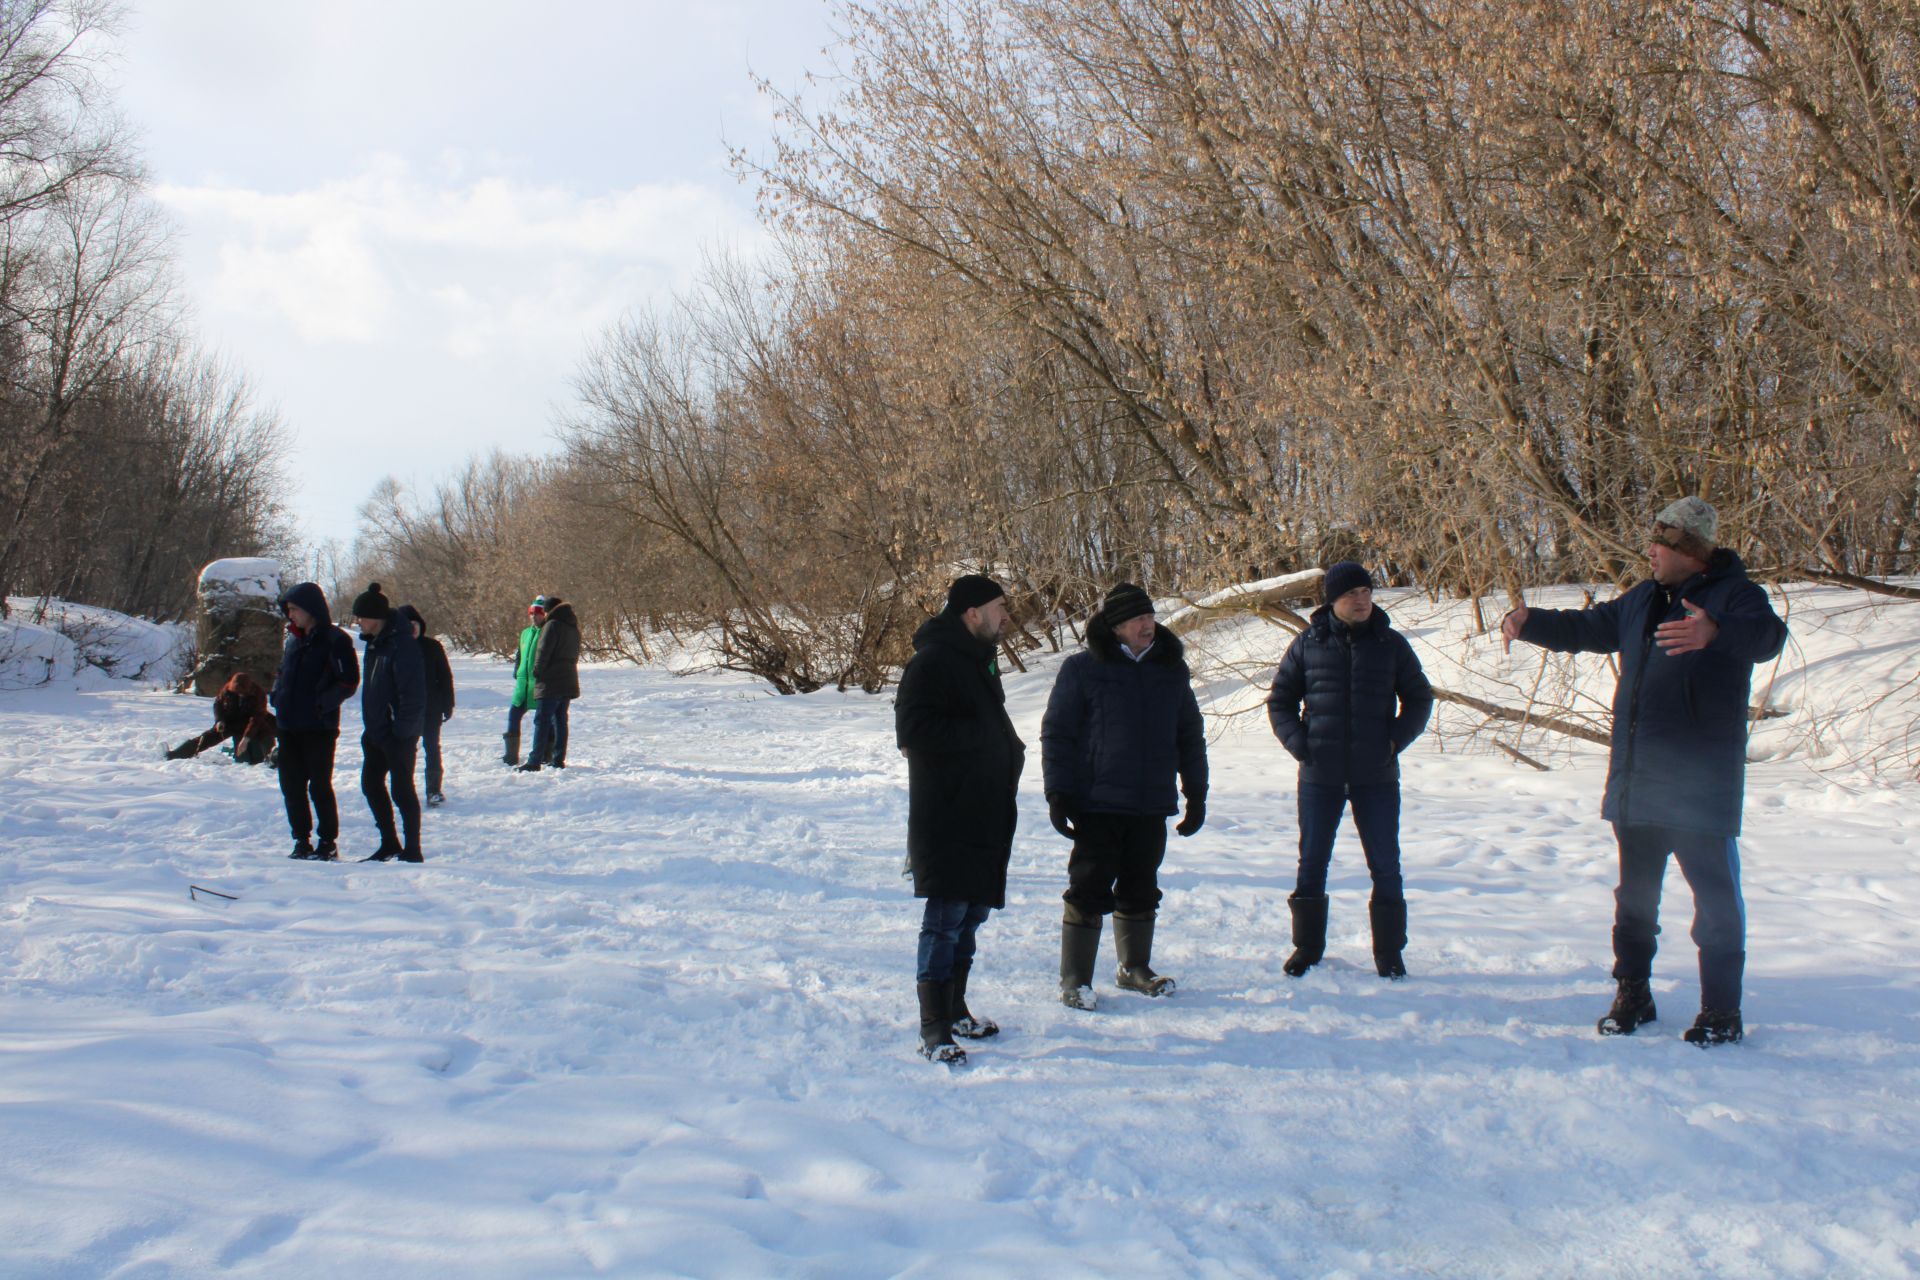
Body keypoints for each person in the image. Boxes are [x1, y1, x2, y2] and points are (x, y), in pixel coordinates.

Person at [1500, 496, 1787, 1046]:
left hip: (1700, 788)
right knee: (1634, 901)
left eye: (1663, 543)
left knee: (1716, 901)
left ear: (1692, 553)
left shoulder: (1735, 596)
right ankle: (1634, 993)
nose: (1650, 550)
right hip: (1638, 781)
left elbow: (1769, 637)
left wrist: (1716, 633)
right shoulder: (1642, 600)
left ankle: (1721, 1012)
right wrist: (1528, 620)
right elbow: (1588, 628)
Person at [1042, 583, 1208, 1010]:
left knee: (1141, 885)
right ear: (1116, 627)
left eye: (1150, 616)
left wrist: (1197, 792)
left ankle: (1133, 967)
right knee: (1088, 887)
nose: (1147, 624)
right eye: (1137, 618)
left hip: (1150, 802)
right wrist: (1058, 791)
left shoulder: (1171, 670)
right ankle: (1075, 979)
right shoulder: (1083, 669)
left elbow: (1189, 736)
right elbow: (1057, 733)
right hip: (1097, 802)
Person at [1266, 561, 1434, 979]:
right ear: (1332, 601)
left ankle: (1389, 952)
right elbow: (1280, 701)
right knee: (1312, 862)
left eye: (1365, 592)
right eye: (1350, 595)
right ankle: (1307, 948)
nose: (1361, 601)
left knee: (1385, 864)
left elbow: (1419, 698)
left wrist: (1394, 741)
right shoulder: (1308, 644)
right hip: (1319, 775)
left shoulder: (1391, 644)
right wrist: (1300, 745)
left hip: (1375, 776)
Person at [896, 574, 1026, 1064]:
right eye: (999, 607)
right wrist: (981, 735)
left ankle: (955, 1011)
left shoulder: (979, 658)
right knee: (945, 920)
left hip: (986, 810)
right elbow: (912, 731)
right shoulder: (931, 662)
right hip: (946, 814)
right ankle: (933, 1030)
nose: (1006, 615)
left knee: (971, 914)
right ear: (972, 612)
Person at [270, 582, 360, 861]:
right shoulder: (292, 639)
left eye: (295, 609)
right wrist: (277, 694)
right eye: (288, 610)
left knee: (319, 786)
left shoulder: (336, 640)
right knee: (291, 787)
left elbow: (348, 681)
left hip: (319, 728)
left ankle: (327, 842)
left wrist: (322, 705)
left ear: (311, 609)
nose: (291, 614)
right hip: (287, 725)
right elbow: (283, 671)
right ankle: (301, 840)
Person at [352, 583, 428, 862]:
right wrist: (373, 728)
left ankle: (412, 849)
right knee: (371, 785)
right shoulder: (375, 644)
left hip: (398, 735)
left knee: (402, 789)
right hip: (375, 732)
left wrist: (401, 731)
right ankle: (389, 842)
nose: (358, 622)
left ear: (376, 617)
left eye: (361, 617)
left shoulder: (402, 645)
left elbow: (413, 694)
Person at [395, 604, 455, 806]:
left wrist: (448, 704)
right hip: (405, 711)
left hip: (431, 708)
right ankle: (405, 789)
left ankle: (433, 790)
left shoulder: (432, 647)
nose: (411, 629)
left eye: (414, 624)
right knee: (406, 750)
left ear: (420, 624)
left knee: (432, 747)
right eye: (406, 625)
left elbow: (445, 677)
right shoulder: (396, 648)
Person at [519, 593, 580, 772]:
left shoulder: (552, 625)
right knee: (560, 720)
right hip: (568, 679)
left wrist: (537, 671)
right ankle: (558, 758)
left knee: (542, 720)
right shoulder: (573, 627)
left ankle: (534, 760)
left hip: (551, 681)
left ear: (548, 611)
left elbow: (543, 651)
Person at [168, 670, 277, 765]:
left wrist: (246, 739)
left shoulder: (258, 693)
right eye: (237, 693)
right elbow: (218, 704)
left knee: (272, 737)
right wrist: (220, 720)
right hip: (231, 722)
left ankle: (274, 759)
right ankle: (175, 755)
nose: (239, 695)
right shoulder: (227, 689)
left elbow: (257, 718)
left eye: (242, 693)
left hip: (256, 723)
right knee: (207, 738)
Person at [503, 597, 545, 765]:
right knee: (514, 714)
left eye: (538, 613)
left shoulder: (546, 631)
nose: (534, 617)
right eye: (531, 613)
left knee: (544, 719)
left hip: (539, 683)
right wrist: (517, 669)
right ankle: (511, 755)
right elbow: (520, 654)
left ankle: (545, 754)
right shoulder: (525, 633)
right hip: (523, 683)